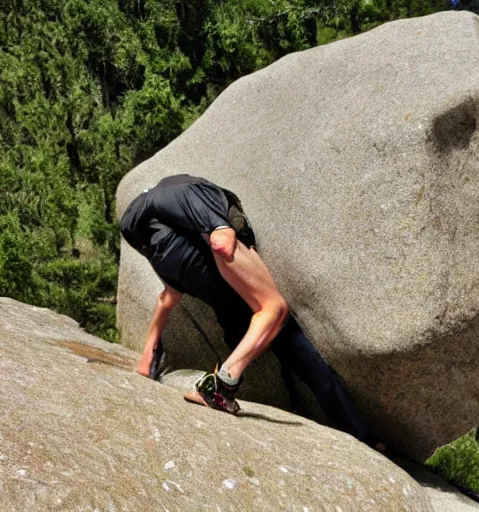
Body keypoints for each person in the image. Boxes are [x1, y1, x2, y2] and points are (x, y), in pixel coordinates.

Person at [120, 174, 372, 442]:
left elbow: (169, 297)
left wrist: (148, 357)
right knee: (274, 308)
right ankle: (219, 388)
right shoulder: (201, 194)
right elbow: (221, 240)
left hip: (158, 250)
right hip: (198, 229)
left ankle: (358, 432)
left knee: (277, 338)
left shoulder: (157, 205)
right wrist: (224, 229)